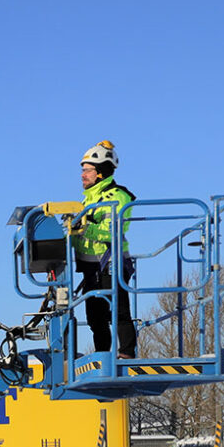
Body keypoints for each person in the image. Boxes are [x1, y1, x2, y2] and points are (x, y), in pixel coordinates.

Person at [74, 140, 138, 358]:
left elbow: (113, 230)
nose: (83, 175)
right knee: (95, 316)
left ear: (100, 173)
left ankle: (127, 352)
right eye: (83, 170)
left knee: (118, 309)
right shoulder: (88, 201)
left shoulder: (116, 196)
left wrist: (83, 229)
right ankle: (102, 355)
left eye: (87, 170)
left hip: (112, 261)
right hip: (90, 267)